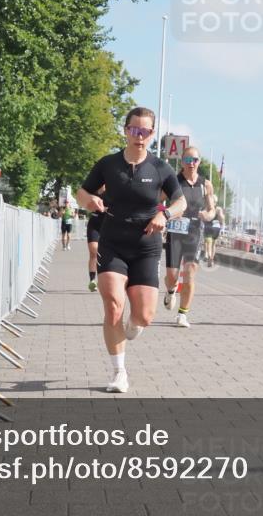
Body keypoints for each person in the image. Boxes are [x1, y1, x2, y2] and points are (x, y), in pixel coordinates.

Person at [77, 107, 186, 393]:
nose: (140, 136)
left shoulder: (160, 168)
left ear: (152, 134)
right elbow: (82, 192)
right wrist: (90, 201)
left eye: (146, 131)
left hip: (146, 247)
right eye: (134, 130)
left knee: (144, 317)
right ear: (125, 130)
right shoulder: (108, 164)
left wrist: (165, 215)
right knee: (113, 306)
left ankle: (132, 326)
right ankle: (118, 372)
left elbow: (180, 202)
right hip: (112, 243)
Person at [162, 147, 216, 328]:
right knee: (172, 275)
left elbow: (212, 208)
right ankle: (170, 290)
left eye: (194, 160)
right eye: (187, 160)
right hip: (176, 229)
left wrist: (208, 215)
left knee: (190, 272)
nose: (191, 163)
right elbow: (157, 199)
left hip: (194, 230)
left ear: (199, 162)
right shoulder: (174, 182)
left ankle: (182, 315)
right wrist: (165, 214)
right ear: (182, 162)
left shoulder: (205, 184)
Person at [85, 186, 106, 291]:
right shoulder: (92, 189)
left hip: (108, 225)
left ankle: (104, 279)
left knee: (105, 253)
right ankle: (92, 280)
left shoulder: (113, 189)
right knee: (94, 251)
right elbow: (86, 204)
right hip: (94, 225)